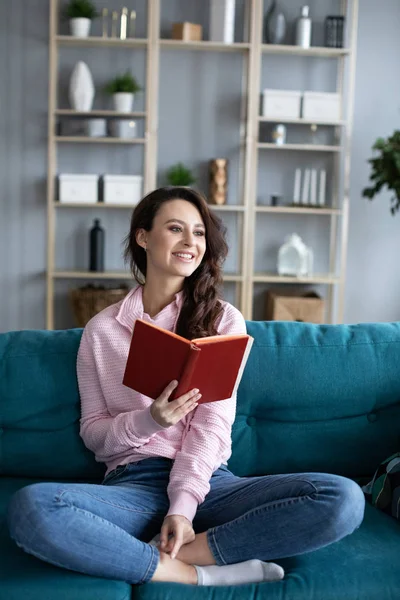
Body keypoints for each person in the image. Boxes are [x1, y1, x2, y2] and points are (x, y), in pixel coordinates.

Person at [7, 187, 365, 587]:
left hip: (210, 482)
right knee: (32, 508)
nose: (190, 242)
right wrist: (149, 420)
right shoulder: (102, 330)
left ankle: (184, 555)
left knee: (342, 498)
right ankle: (191, 575)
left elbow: (213, 425)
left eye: (198, 233)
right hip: (133, 485)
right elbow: (94, 434)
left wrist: (182, 506)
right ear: (143, 237)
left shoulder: (223, 321)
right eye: (175, 228)